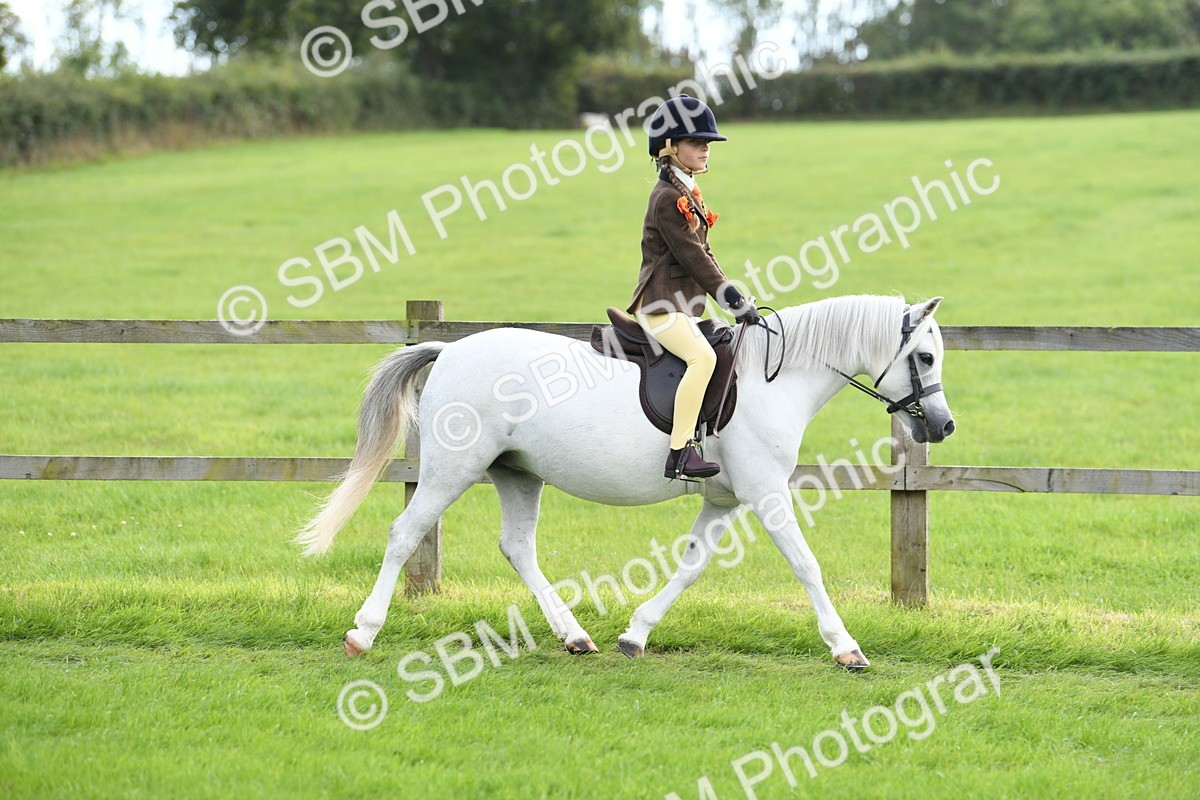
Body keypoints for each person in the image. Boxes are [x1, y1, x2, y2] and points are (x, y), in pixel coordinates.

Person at [627, 94, 761, 480]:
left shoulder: (687, 193)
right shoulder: (668, 199)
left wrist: (736, 295)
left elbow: (707, 253)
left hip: (681, 306)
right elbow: (693, 258)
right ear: (669, 147)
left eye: (707, 143)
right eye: (696, 142)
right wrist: (731, 300)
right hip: (660, 306)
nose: (705, 149)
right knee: (703, 359)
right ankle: (680, 453)